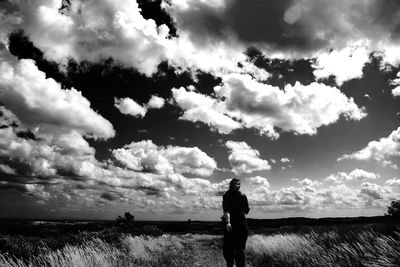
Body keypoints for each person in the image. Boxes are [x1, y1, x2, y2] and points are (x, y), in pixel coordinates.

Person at [222, 178, 250, 267]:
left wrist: (228, 223)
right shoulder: (243, 195)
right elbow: (246, 211)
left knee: (228, 250)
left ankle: (230, 265)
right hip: (241, 224)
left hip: (231, 225)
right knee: (240, 250)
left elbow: (226, 211)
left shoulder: (226, 195)